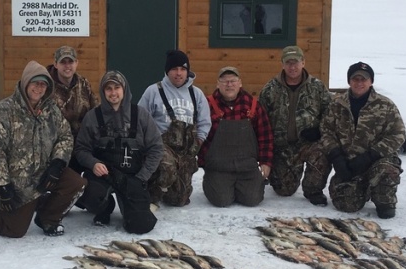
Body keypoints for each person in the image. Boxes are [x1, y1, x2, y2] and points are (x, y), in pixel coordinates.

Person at [0, 61, 86, 238]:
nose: (39, 88)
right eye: (35, 82)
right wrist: (2, 186)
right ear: (25, 83)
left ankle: (48, 218)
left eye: (43, 84)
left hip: (45, 172)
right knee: (14, 231)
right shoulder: (2, 112)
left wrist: (57, 164)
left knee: (77, 184)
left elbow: (65, 136)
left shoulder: (51, 109)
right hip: (18, 182)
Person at [74, 70, 163, 233]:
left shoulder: (141, 114)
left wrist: (142, 177)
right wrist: (93, 163)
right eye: (108, 88)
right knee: (92, 196)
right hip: (104, 175)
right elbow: (81, 149)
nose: (113, 92)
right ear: (103, 91)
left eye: (117, 87)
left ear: (124, 89)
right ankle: (105, 207)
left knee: (140, 225)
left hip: (132, 177)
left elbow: (156, 148)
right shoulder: (92, 117)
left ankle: (130, 206)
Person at [319, 61, 405, 219]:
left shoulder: (385, 105)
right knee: (345, 205)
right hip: (348, 162)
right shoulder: (337, 104)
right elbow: (326, 131)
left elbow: (398, 134)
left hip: (376, 160)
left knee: (387, 172)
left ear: (371, 81)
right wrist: (336, 156)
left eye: (363, 79)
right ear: (349, 81)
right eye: (355, 79)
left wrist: (371, 155)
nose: (359, 83)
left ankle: (384, 199)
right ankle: (362, 187)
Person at [258, 45, 332, 206]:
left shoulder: (317, 87)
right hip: (281, 146)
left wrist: (319, 130)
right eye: (288, 63)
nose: (292, 67)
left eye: (296, 62)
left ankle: (313, 189)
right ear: (282, 64)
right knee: (284, 190)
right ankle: (283, 176)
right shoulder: (270, 88)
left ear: (303, 63)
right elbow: (260, 118)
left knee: (323, 152)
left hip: (309, 144)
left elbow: (330, 113)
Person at [138, 49, 211, 206]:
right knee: (167, 167)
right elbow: (140, 119)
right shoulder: (154, 91)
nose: (179, 73)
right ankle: (150, 194)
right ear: (167, 71)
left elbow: (205, 121)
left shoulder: (196, 94)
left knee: (179, 200)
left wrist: (198, 141)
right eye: (174, 69)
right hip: (160, 145)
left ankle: (167, 189)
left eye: (183, 69)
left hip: (185, 149)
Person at [198, 66, 274, 207]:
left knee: (252, 199)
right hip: (218, 167)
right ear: (217, 84)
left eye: (233, 81)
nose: (229, 85)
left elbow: (265, 136)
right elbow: (199, 135)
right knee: (221, 200)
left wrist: (266, 162)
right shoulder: (206, 105)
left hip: (247, 167)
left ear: (240, 83)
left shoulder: (253, 105)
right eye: (224, 81)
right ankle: (213, 182)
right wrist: (203, 163)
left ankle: (245, 186)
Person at [47, 45, 99, 171]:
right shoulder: (47, 86)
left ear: (76, 63)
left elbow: (96, 111)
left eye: (70, 62)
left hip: (83, 143)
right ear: (55, 64)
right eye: (63, 62)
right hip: (56, 146)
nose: (67, 66)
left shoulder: (84, 83)